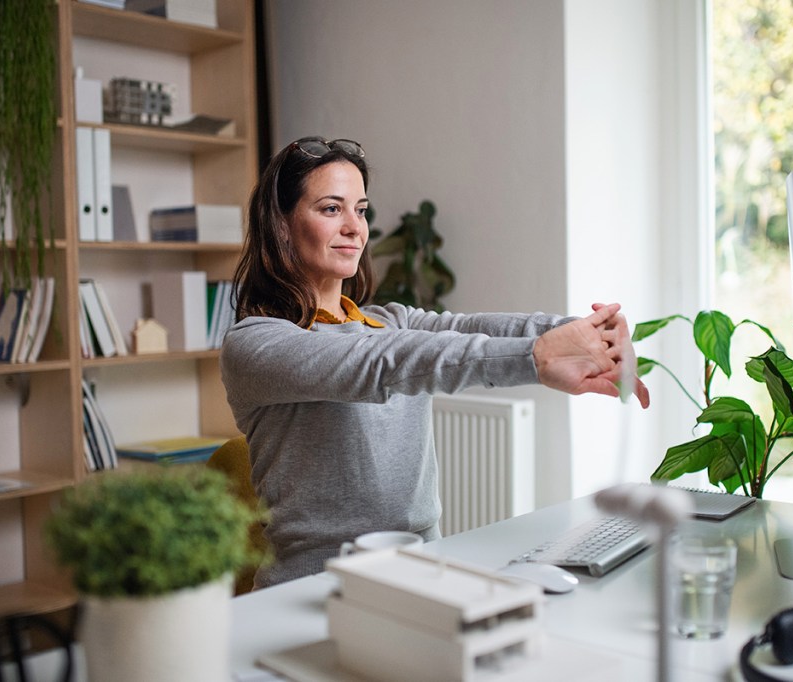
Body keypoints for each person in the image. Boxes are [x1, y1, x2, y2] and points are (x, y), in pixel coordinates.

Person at [220, 136, 650, 588]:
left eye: (361, 210)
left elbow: (469, 328)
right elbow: (381, 363)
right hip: (314, 585)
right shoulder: (256, 344)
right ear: (282, 226)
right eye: (331, 209)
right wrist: (538, 357)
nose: (355, 228)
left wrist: (587, 330)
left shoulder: (391, 320)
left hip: (423, 569)